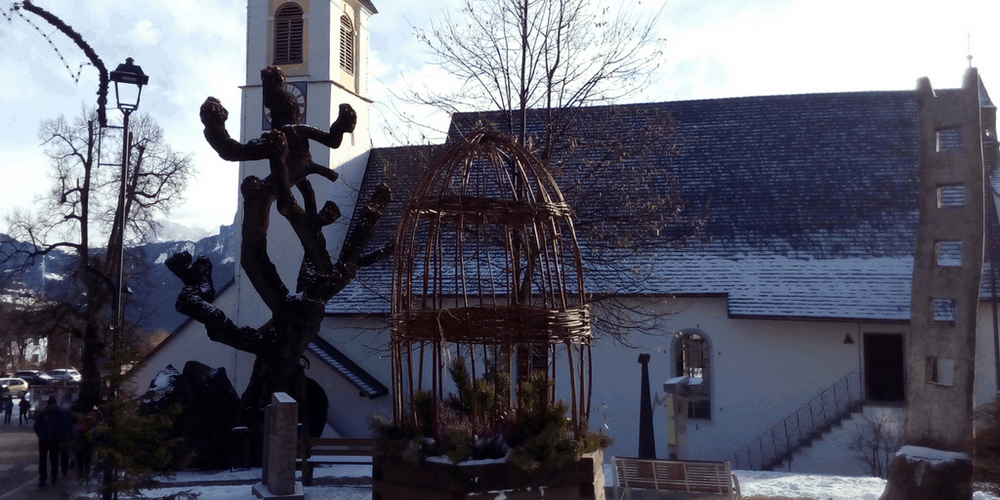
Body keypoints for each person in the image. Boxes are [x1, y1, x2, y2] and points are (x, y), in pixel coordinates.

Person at [34, 396, 72, 487]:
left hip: (55, 440)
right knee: (42, 460)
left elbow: (66, 426)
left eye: (53, 404)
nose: (52, 406)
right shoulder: (43, 414)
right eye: (51, 404)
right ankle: (42, 478)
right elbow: (37, 426)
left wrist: (61, 436)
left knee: (54, 459)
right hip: (44, 440)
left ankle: (54, 476)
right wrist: (40, 435)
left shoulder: (60, 414)